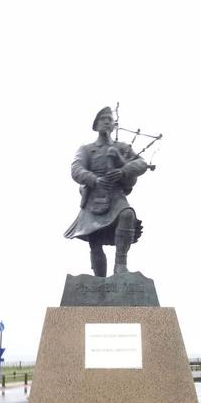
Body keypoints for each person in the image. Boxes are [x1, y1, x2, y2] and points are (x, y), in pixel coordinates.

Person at [64, 106, 148, 277]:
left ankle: (120, 266)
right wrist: (94, 180)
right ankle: (99, 280)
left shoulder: (123, 148)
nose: (107, 122)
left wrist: (123, 169)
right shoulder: (86, 149)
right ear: (96, 125)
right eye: (103, 119)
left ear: (113, 126)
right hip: (94, 198)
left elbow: (141, 164)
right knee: (94, 240)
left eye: (110, 120)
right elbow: (76, 169)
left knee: (127, 215)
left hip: (116, 194)